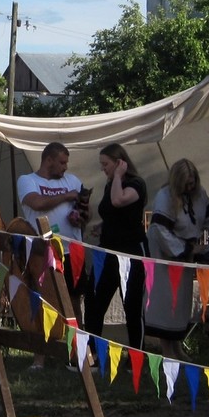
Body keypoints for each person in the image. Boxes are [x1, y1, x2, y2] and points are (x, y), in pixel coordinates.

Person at [14, 142, 85, 367]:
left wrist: (81, 216)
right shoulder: (28, 180)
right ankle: (40, 356)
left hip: (72, 251)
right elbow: (37, 203)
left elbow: (85, 210)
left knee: (74, 302)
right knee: (42, 301)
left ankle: (77, 353)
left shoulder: (73, 180)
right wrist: (67, 196)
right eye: (61, 162)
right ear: (49, 160)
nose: (65, 167)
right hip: (42, 253)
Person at [145, 158, 209, 357]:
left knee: (181, 302)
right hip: (165, 255)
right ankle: (167, 350)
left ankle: (177, 347)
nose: (190, 186)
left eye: (193, 181)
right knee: (165, 300)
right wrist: (188, 249)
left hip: (183, 257)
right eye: (186, 183)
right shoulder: (165, 196)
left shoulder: (199, 195)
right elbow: (160, 229)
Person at [82, 143, 149, 349]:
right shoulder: (110, 184)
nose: (104, 169)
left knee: (132, 306)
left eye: (106, 164)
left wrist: (119, 175)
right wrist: (104, 225)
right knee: (94, 301)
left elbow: (119, 202)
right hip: (108, 251)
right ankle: (92, 351)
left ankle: (137, 355)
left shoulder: (135, 183)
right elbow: (114, 211)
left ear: (120, 162)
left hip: (131, 253)